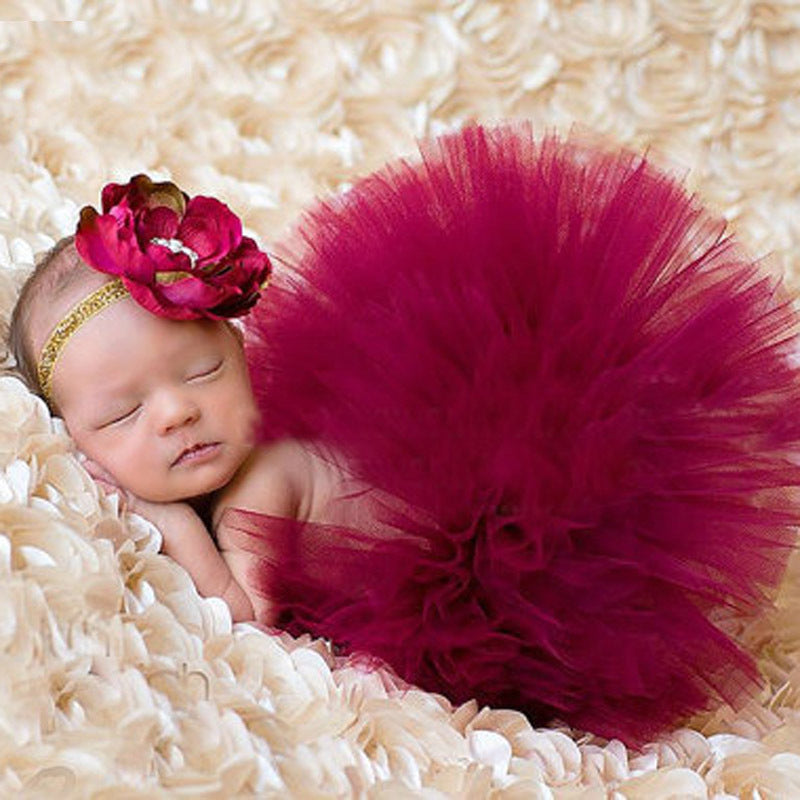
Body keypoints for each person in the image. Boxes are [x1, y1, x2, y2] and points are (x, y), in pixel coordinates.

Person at [9, 122, 800, 746]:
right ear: (69, 434)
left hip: (498, 552)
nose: (175, 413)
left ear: (241, 354)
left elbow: (242, 618)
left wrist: (167, 519)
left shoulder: (261, 485)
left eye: (201, 372)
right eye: (121, 416)